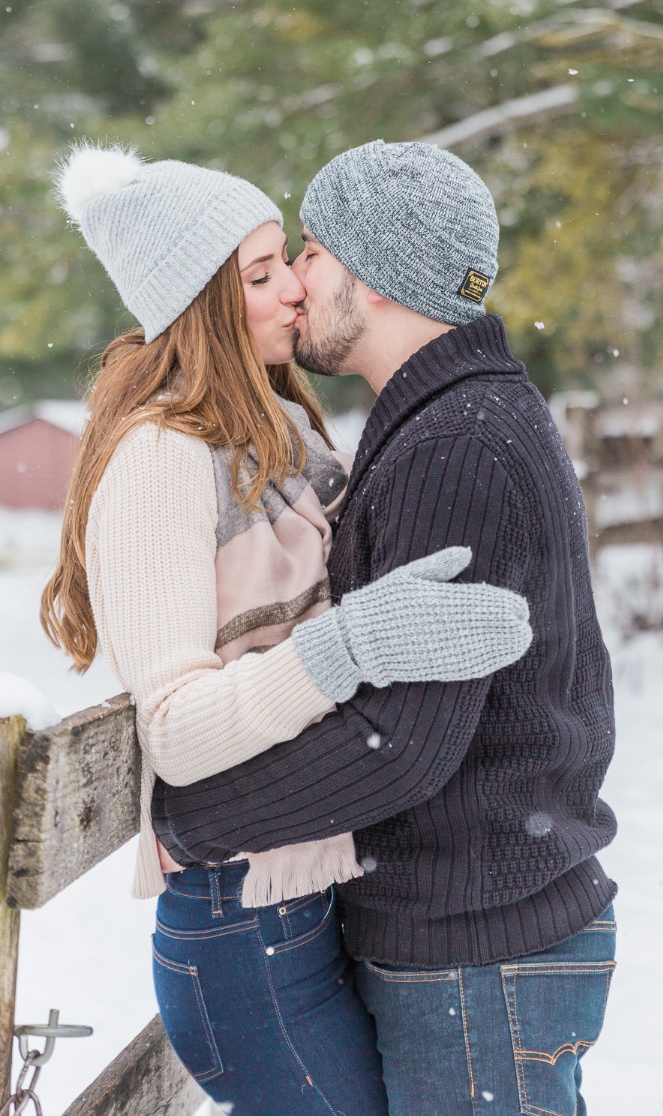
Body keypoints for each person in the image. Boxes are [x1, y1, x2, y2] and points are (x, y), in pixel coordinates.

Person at [39, 143, 532, 1116]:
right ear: (200, 302)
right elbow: (175, 731)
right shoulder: (158, 461)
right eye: (261, 275)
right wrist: (349, 646)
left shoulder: (284, 434)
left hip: (316, 891)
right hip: (239, 925)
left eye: (287, 263)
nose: (295, 292)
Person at [153, 140, 618, 1116]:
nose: (295, 284)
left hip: (477, 955)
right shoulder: (458, 421)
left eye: (312, 251)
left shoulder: (457, 444)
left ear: (375, 275)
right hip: (480, 939)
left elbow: (402, 744)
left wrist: (198, 824)